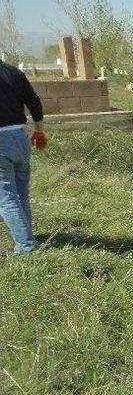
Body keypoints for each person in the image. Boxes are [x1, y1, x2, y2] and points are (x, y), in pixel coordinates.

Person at [0, 59, 46, 254]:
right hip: (20, 136)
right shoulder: (14, 73)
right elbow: (34, 101)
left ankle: (26, 246)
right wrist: (39, 131)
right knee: (21, 193)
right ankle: (27, 236)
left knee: (6, 197)